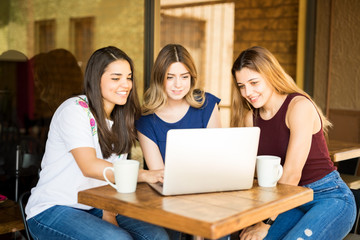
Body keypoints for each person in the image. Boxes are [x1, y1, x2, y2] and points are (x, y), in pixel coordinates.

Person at [25, 46, 169, 240]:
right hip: (52, 208)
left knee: (156, 235)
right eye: (116, 78)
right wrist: (145, 175)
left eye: (129, 77)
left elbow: (109, 177)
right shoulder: (75, 110)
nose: (125, 84)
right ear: (96, 79)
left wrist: (108, 214)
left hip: (93, 207)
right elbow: (90, 166)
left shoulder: (121, 118)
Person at [231, 46, 356, 240]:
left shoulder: (298, 107)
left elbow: (291, 175)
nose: (248, 92)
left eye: (254, 82)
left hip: (328, 196)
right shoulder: (251, 117)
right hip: (288, 201)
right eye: (241, 86)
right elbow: (252, 173)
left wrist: (264, 223)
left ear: (271, 76)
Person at [135, 44, 224, 240]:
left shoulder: (206, 104)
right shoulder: (146, 120)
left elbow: (217, 160)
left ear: (192, 78)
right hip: (170, 200)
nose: (178, 85)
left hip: (209, 194)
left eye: (184, 77)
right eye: (170, 77)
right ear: (160, 79)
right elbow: (160, 176)